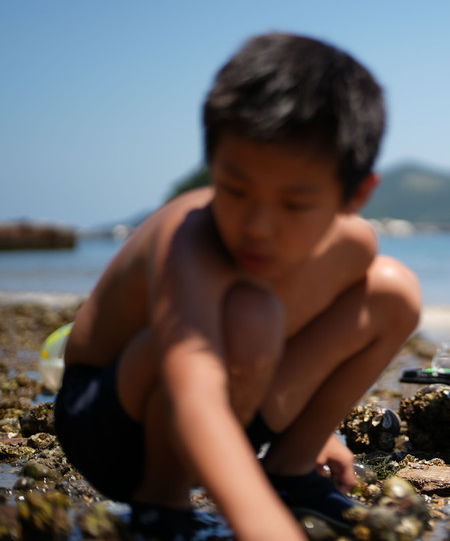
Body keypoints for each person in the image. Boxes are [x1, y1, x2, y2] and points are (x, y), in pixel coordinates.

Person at [55, 32, 421, 541]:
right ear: (212, 168)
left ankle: (289, 472)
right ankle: (163, 507)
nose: (258, 226)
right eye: (234, 188)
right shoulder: (190, 237)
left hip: (232, 407)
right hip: (109, 428)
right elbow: (195, 385)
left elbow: (298, 338)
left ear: (356, 193)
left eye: (294, 204)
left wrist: (317, 431)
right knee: (252, 316)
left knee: (393, 290)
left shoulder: (349, 241)